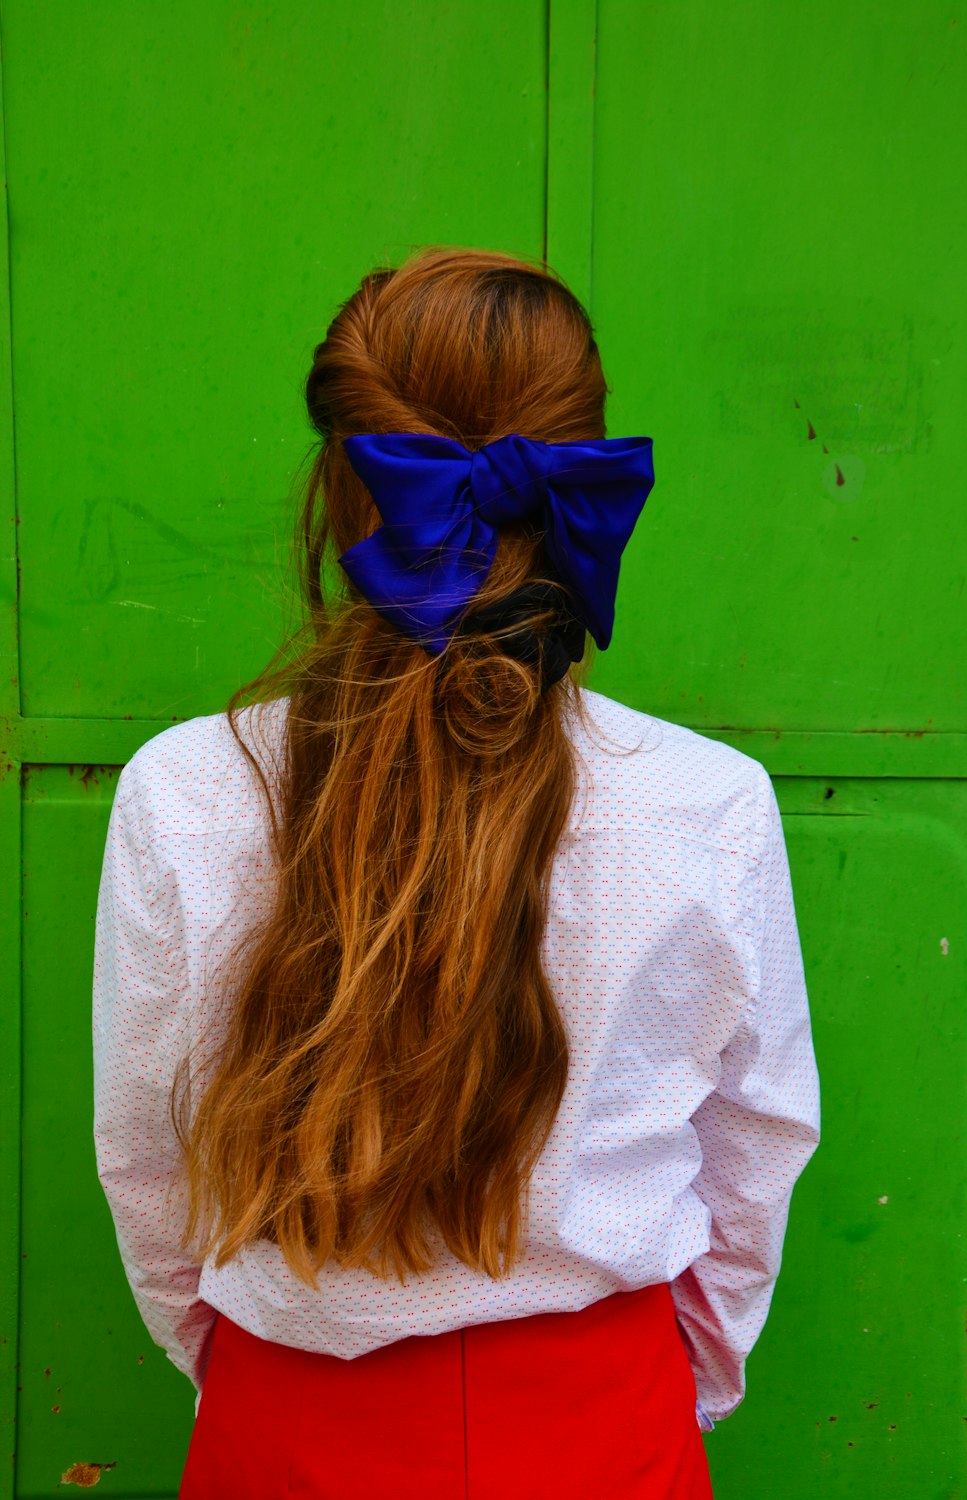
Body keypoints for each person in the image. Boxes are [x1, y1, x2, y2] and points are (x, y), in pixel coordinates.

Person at [93, 248, 820, 1499]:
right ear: (577, 476)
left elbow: (150, 1160)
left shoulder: (183, 789)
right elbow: (753, 1152)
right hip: (607, 1425)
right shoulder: (710, 802)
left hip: (290, 1427)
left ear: (342, 485)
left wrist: (260, 1375)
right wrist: (662, 1389)